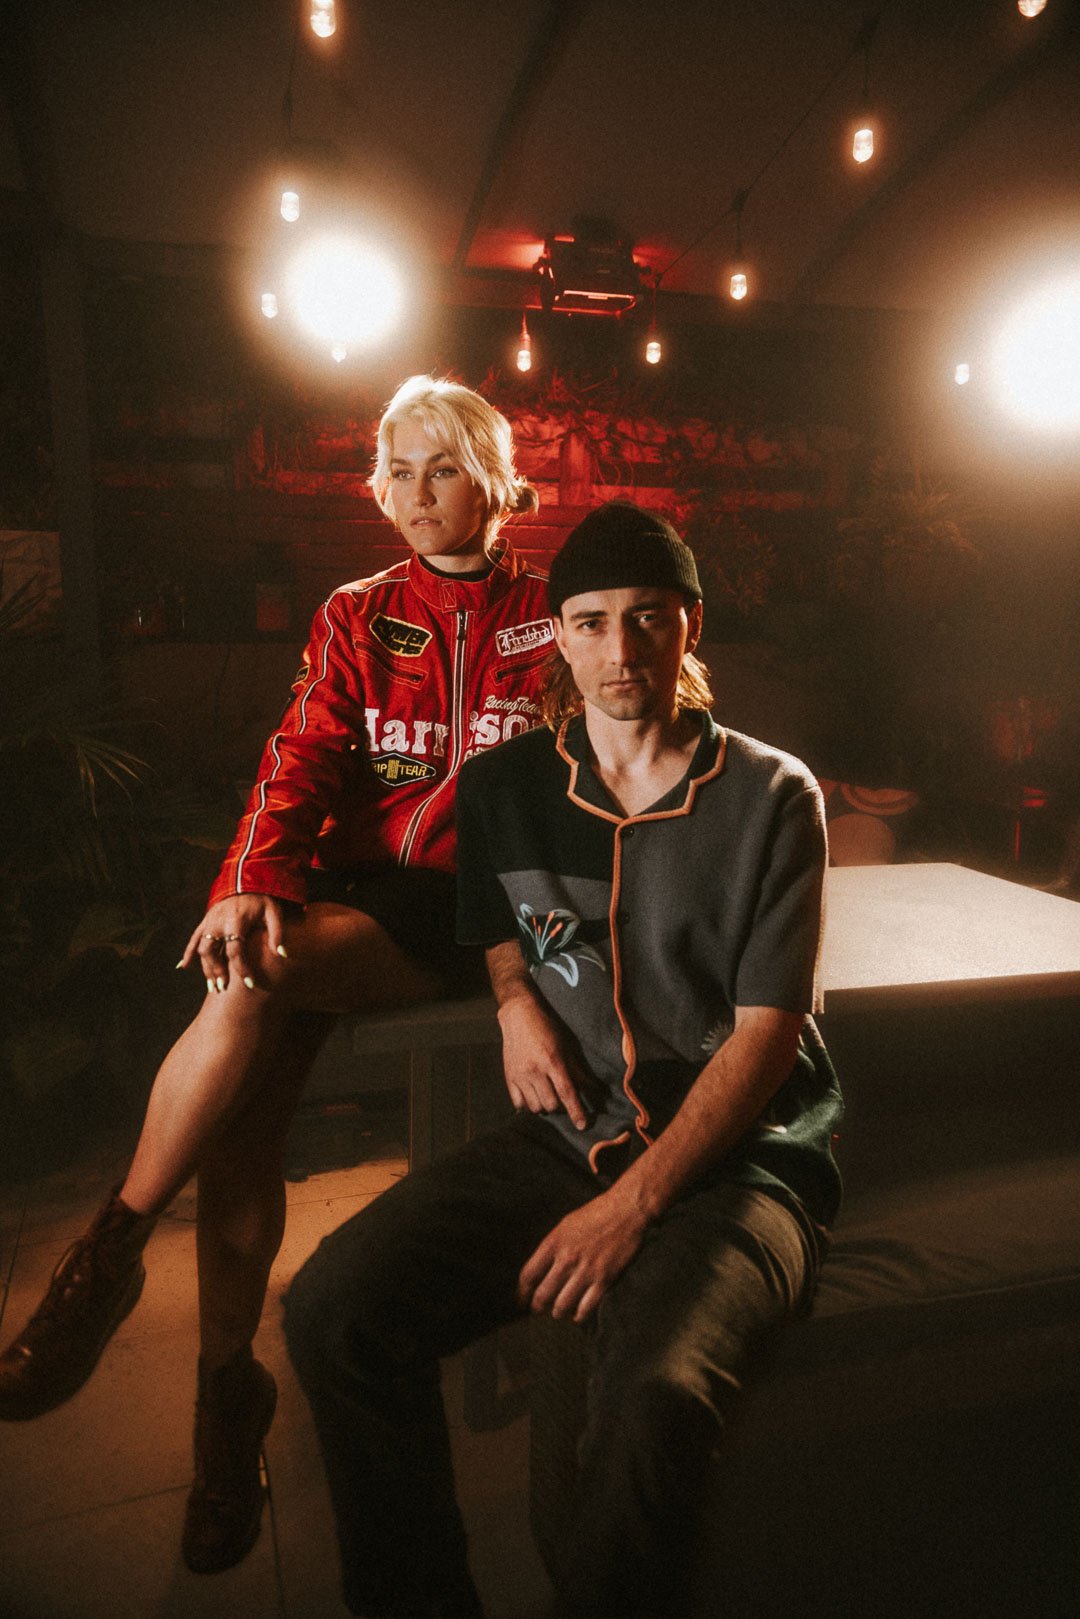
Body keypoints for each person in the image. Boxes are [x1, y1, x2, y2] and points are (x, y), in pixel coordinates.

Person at [0, 375, 553, 1577]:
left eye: (442, 469)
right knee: (247, 1093)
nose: (416, 494)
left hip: (477, 904)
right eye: (398, 471)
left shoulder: (557, 613)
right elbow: (299, 752)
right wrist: (248, 875)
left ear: (494, 482)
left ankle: (110, 1259)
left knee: (253, 976)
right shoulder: (358, 611)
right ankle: (221, 1396)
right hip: (356, 892)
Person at [284, 500, 843, 1618]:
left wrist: (631, 1206)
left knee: (656, 1400)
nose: (620, 648)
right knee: (333, 1308)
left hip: (743, 1159)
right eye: (591, 621)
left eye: (648, 617)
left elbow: (768, 1032)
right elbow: (499, 917)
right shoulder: (506, 787)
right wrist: (512, 1002)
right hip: (573, 1129)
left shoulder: (774, 794)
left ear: (690, 625)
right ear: (560, 636)